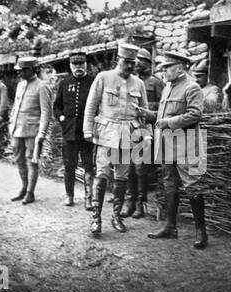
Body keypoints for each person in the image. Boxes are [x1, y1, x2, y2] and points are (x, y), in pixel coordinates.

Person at [138, 51, 208, 249]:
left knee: (192, 185)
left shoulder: (192, 87)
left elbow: (195, 115)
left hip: (185, 145)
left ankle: (201, 231)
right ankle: (170, 227)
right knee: (169, 184)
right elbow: (163, 115)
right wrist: (150, 115)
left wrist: (165, 122)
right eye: (163, 68)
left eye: (167, 67)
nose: (163, 71)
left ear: (180, 67)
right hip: (167, 145)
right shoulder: (168, 87)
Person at [83, 43, 149, 236]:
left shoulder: (139, 84)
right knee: (102, 175)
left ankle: (116, 216)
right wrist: (87, 130)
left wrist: (145, 134)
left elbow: (143, 113)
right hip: (106, 133)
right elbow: (91, 105)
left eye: (133, 63)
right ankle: (96, 217)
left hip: (128, 134)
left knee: (121, 178)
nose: (130, 66)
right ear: (117, 60)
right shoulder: (104, 77)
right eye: (126, 62)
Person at [121, 48, 164, 219]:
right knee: (129, 167)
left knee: (140, 167)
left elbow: (162, 108)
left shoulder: (156, 83)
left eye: (141, 60)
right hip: (131, 128)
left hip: (147, 129)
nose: (137, 64)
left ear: (148, 63)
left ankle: (141, 204)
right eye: (135, 61)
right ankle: (130, 202)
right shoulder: (132, 82)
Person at [53, 51, 95, 209]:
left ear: (86, 65)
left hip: (87, 132)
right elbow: (57, 106)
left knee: (88, 165)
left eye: (81, 64)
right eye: (75, 64)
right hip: (69, 132)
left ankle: (88, 198)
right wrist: (61, 118)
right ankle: (69, 195)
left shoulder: (93, 82)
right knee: (69, 165)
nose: (78, 67)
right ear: (70, 66)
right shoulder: (64, 83)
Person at [9, 57, 52, 204]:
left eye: (22, 71)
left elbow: (46, 113)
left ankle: (30, 192)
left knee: (31, 161)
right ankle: (24, 187)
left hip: (33, 131)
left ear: (31, 70)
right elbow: (16, 107)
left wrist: (42, 134)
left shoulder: (42, 86)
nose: (19, 74)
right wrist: (11, 125)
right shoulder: (20, 85)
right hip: (17, 130)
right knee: (18, 160)